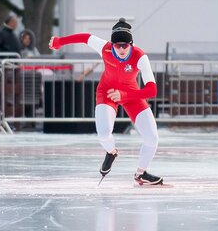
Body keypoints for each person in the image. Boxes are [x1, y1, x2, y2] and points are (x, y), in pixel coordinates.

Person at [49, 18, 163, 186]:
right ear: (112, 44)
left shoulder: (140, 57)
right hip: (107, 93)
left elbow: (151, 90)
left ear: (131, 44)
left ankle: (141, 174)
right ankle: (111, 152)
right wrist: (60, 42)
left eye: (126, 45)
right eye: (118, 45)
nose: (122, 49)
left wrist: (124, 95)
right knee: (103, 134)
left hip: (130, 94)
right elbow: (85, 37)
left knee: (152, 138)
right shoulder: (104, 47)